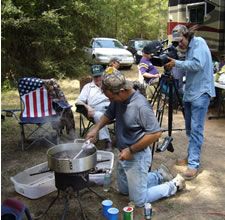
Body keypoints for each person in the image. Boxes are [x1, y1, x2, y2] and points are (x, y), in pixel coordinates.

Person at [86, 70, 186, 207]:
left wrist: (131, 150)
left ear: (121, 91)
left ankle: (174, 185)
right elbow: (109, 114)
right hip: (124, 153)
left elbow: (156, 133)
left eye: (111, 98)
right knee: (123, 190)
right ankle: (159, 175)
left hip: (137, 156)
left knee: (139, 200)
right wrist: (95, 129)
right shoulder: (117, 98)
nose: (110, 101)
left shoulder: (141, 106)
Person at [164, 25, 216, 180]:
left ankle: (193, 164)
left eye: (180, 41)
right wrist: (173, 64)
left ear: (187, 36)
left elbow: (197, 65)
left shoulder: (199, 42)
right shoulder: (186, 50)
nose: (179, 44)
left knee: (196, 130)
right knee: (189, 129)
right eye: (176, 42)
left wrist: (177, 63)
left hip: (201, 93)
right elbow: (185, 69)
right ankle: (190, 156)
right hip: (190, 92)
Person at [75, 64, 112, 150]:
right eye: (95, 77)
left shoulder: (109, 84)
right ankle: (107, 140)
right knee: (100, 116)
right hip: (96, 110)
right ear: (92, 77)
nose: (98, 79)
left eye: (99, 76)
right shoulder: (88, 87)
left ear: (103, 75)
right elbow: (79, 101)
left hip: (111, 108)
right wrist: (88, 107)